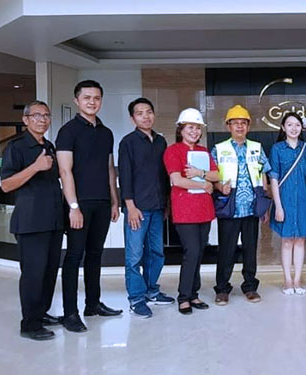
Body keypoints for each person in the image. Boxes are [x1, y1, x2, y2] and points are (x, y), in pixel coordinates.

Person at [56, 80, 121, 332]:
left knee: (95, 254)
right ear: (77, 101)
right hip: (79, 205)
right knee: (74, 256)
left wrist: (114, 200)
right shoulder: (68, 131)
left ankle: (93, 304)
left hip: (103, 203)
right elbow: (65, 170)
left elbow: (109, 168)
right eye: (87, 98)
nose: (92, 102)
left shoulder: (106, 132)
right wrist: (73, 206)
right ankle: (70, 313)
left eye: (96, 98)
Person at [1, 101, 64, 340]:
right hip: (31, 222)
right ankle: (29, 323)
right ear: (26, 120)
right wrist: (35, 167)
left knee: (49, 272)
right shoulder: (16, 147)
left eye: (46, 115)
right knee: (33, 274)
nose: (42, 119)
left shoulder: (49, 145)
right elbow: (7, 184)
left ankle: (41, 313)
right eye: (36, 115)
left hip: (54, 221)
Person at [118, 98, 174, 318]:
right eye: (139, 113)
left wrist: (167, 203)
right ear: (133, 118)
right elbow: (125, 175)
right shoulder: (128, 142)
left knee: (156, 253)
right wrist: (130, 206)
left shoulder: (161, 142)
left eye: (149, 112)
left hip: (158, 207)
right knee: (134, 257)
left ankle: (152, 291)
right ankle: (136, 298)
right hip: (138, 209)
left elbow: (163, 175)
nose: (145, 116)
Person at [212, 105, 271, 305]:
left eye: (243, 123)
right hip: (229, 207)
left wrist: (264, 204)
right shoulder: (219, 149)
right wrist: (220, 186)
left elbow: (263, 174)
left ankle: (250, 287)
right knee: (226, 251)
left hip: (251, 207)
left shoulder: (257, 147)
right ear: (228, 126)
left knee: (250, 250)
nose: (239, 126)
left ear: (248, 126)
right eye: (235, 123)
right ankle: (222, 289)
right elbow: (211, 177)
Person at [163, 108, 218, 315]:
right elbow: (176, 180)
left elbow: (216, 174)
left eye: (197, 128)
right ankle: (184, 296)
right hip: (184, 210)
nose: (194, 131)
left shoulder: (204, 151)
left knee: (199, 252)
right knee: (191, 252)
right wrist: (204, 184)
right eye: (190, 127)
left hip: (204, 210)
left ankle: (193, 294)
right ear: (181, 129)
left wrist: (201, 174)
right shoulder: (173, 151)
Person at [269, 112, 306, 295]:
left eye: (297, 125)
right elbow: (274, 178)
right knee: (287, 241)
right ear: (283, 128)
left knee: (301, 241)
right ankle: (287, 280)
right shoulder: (277, 149)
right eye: (289, 125)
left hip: (304, 201)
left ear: (302, 127)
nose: (294, 128)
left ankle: (298, 279)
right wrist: (278, 206)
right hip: (285, 200)